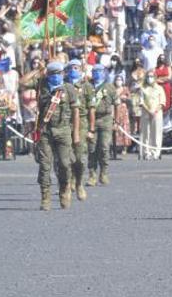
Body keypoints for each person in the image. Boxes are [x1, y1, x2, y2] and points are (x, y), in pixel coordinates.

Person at [28, 61, 80, 211]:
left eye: (59, 73)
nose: (56, 76)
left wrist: (76, 133)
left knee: (64, 164)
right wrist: (38, 69)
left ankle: (64, 189)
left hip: (63, 131)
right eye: (53, 74)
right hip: (45, 131)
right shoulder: (41, 84)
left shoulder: (69, 89)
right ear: (48, 75)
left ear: (63, 74)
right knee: (45, 165)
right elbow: (23, 83)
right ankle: (45, 196)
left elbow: (76, 111)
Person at [66, 59, 94, 201]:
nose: (73, 70)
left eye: (76, 68)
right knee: (66, 157)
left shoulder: (87, 86)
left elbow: (91, 108)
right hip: (65, 123)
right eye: (71, 68)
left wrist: (91, 129)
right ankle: (69, 181)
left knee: (80, 158)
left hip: (82, 123)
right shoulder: (64, 86)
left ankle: (79, 183)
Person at [88, 64, 118, 186]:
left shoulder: (109, 87)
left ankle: (104, 173)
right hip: (92, 120)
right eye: (95, 71)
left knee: (104, 147)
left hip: (106, 119)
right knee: (92, 148)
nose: (97, 73)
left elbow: (116, 104)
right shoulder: (88, 87)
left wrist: (115, 121)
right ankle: (92, 175)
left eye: (100, 71)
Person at [139, 70, 166, 161]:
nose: (149, 78)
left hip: (157, 113)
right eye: (148, 76)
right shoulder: (143, 88)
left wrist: (155, 111)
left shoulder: (159, 88)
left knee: (156, 133)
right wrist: (149, 111)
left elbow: (162, 102)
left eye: (151, 76)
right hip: (146, 112)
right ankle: (146, 152)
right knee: (146, 133)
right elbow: (141, 102)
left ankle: (155, 152)